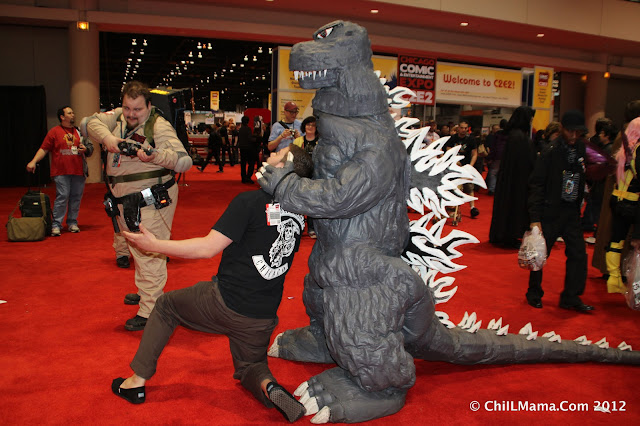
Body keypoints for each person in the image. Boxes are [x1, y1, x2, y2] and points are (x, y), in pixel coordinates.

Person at [112, 145, 313, 423]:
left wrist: (154, 245)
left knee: (166, 305)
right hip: (263, 316)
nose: (268, 156)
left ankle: (136, 382)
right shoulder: (301, 213)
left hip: (225, 301)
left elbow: (207, 248)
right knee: (250, 366)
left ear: (284, 167)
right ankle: (270, 387)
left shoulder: (249, 201)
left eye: (276, 155)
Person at [85, 81, 192, 331]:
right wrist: (109, 138)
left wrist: (155, 155)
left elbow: (184, 161)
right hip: (125, 200)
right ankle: (146, 293)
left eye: (138, 109)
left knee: (150, 252)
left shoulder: (159, 126)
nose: (131, 114)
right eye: (127, 108)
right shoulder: (118, 118)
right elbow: (89, 123)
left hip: (151, 199)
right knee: (137, 248)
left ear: (149, 107)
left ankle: (150, 309)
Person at [526, 110, 593, 312]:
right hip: (550, 211)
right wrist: (535, 218)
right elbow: (536, 185)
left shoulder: (581, 147)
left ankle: (571, 297)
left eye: (577, 132)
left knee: (578, 255)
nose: (573, 135)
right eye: (570, 131)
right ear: (562, 128)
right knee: (539, 255)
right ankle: (534, 292)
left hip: (572, 212)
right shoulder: (550, 151)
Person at [26, 106, 93, 236]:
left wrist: (85, 149)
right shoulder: (54, 132)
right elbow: (44, 149)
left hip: (78, 171)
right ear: (62, 117)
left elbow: (90, 148)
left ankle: (72, 222)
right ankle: (56, 224)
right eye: (69, 113)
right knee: (62, 196)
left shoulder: (80, 132)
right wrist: (33, 161)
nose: (73, 115)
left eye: (73, 112)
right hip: (61, 171)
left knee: (76, 198)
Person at [489, 107, 536, 248]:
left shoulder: (514, 135)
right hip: (518, 181)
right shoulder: (519, 137)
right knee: (514, 207)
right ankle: (509, 235)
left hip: (512, 180)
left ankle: (504, 234)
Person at [604, 117, 640, 294]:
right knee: (635, 242)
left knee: (617, 240)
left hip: (617, 199)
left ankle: (614, 278)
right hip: (633, 203)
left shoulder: (624, 150)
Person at [444, 121, 479, 218]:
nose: (463, 130)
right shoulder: (452, 139)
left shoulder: (471, 140)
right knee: (452, 186)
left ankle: (472, 207)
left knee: (469, 187)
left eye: (465, 128)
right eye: (462, 128)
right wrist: (454, 161)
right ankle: (450, 206)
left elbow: (474, 154)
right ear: (458, 128)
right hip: (454, 166)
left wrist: (470, 166)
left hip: (466, 166)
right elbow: (448, 150)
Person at [293, 115, 319, 238]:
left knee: (313, 202)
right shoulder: (297, 141)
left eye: (313, 125)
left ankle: (312, 227)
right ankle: (298, 226)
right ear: (304, 126)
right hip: (301, 175)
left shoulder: (321, 142)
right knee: (299, 201)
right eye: (308, 124)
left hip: (316, 175)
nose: (310, 127)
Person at [485, 121, 506, 194]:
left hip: (497, 156)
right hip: (505, 157)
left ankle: (492, 189)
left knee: (493, 173)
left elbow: (494, 147)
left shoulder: (495, 136)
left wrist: (489, 157)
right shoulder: (510, 135)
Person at [238, 115, 259, 183]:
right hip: (249, 148)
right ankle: (248, 177)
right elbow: (250, 139)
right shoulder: (248, 129)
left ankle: (243, 178)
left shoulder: (240, 129)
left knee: (243, 163)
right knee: (251, 163)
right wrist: (256, 139)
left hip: (242, 148)